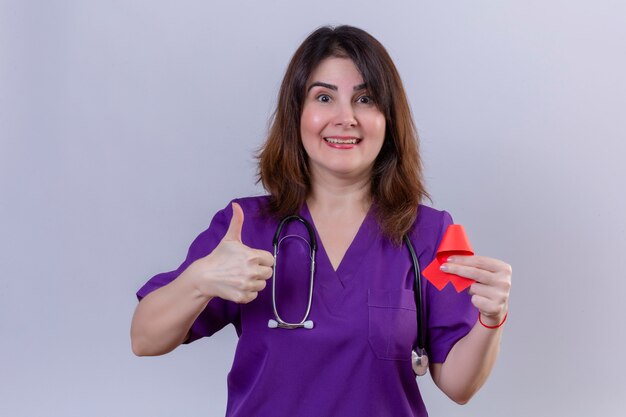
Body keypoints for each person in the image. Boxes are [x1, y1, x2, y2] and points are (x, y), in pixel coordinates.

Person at [131, 25, 512, 417]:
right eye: (324, 97)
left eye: (365, 99)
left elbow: (459, 386)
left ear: (389, 118)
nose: (345, 118)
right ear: (298, 112)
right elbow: (144, 337)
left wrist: (491, 319)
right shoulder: (245, 227)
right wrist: (199, 280)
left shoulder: (431, 234)